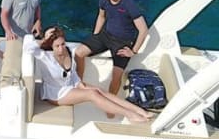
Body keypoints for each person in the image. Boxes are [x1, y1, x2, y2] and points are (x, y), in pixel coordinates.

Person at [25, 28, 154, 123]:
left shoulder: (69, 51)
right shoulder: (45, 56)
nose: (61, 49)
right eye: (57, 46)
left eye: (63, 44)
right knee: (92, 94)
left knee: (99, 90)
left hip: (71, 84)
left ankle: (138, 110)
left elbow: (72, 73)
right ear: (51, 46)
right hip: (56, 93)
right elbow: (27, 48)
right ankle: (130, 115)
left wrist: (79, 83)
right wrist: (44, 40)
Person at [74, 0, 148, 97]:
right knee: (79, 53)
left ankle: (110, 101)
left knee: (116, 76)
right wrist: (95, 35)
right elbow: (101, 16)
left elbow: (143, 29)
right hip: (106, 35)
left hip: (122, 43)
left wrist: (133, 51)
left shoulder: (129, 4)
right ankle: (79, 86)